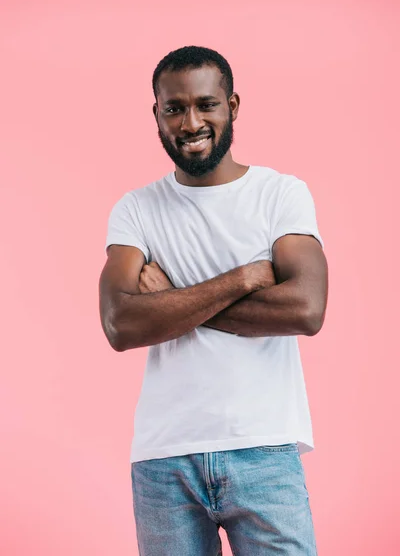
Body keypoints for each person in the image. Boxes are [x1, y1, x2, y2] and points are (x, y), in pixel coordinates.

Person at [99, 46, 328, 556]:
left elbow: (305, 310)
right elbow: (120, 323)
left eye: (207, 104)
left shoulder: (280, 194)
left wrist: (174, 302)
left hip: (263, 447)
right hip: (164, 457)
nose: (191, 121)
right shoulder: (136, 209)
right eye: (174, 108)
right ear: (156, 114)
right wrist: (246, 278)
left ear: (234, 106)